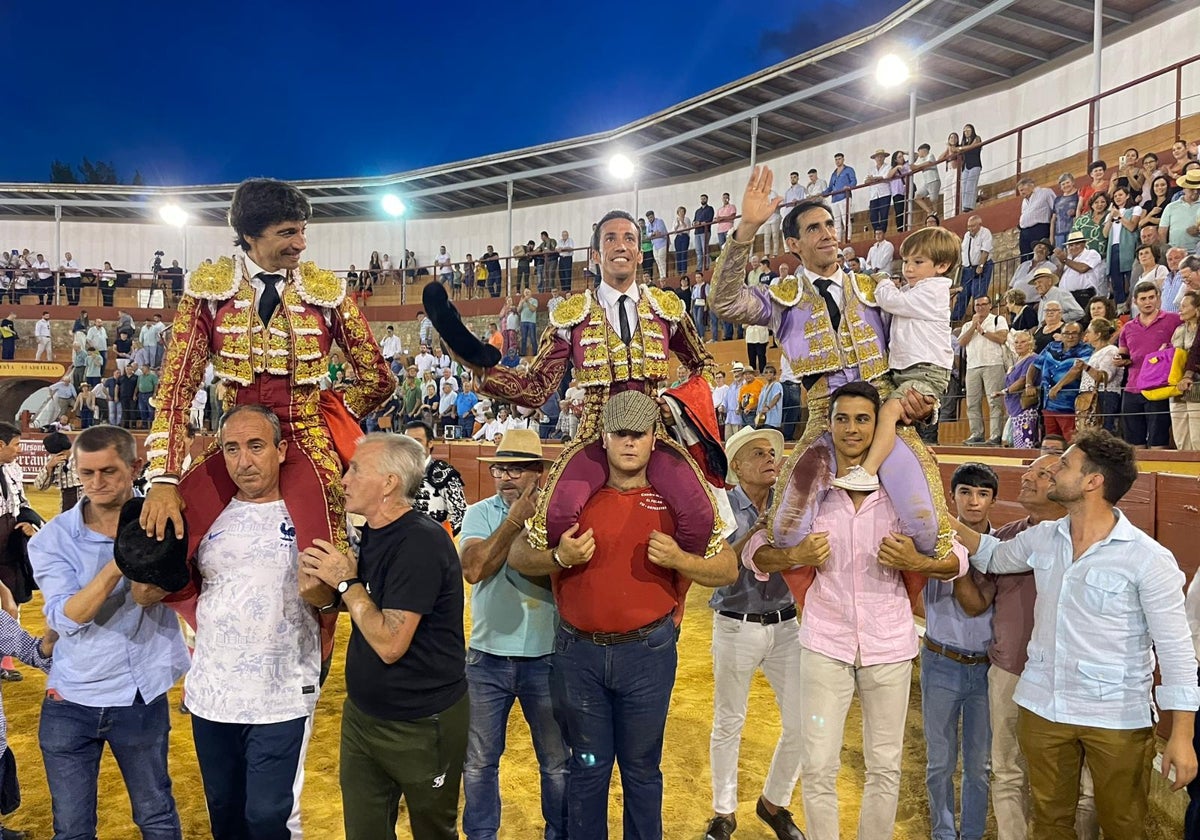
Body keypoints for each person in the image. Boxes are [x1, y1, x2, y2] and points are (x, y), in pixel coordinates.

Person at [138, 178, 393, 620]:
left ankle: (313, 660)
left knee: (323, 572)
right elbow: (177, 388)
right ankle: (214, 634)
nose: (301, 243)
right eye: (288, 233)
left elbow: (378, 379)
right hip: (235, 440)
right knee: (157, 562)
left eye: (302, 230)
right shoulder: (208, 293)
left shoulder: (327, 294)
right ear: (251, 235)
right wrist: (163, 478)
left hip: (305, 439)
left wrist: (331, 410)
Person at [507, 390, 736, 840]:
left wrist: (681, 560)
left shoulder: (675, 498)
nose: (630, 443)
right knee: (589, 769)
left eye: (639, 434)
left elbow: (727, 568)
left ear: (655, 439)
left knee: (641, 770)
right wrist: (559, 555)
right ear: (604, 438)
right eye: (620, 434)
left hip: (645, 653)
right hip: (580, 654)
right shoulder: (574, 496)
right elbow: (518, 555)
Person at [748, 382, 966, 840]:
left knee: (884, 766)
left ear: (877, 425)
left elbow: (956, 558)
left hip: (888, 644)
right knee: (820, 762)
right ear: (828, 425)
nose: (851, 429)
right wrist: (795, 555)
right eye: (842, 419)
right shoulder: (812, 490)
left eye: (862, 419)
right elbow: (756, 553)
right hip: (825, 642)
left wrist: (917, 562)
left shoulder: (904, 493)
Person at [956, 429, 1199, 837]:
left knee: (1123, 825)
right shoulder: (1046, 536)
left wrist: (1182, 736)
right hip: (1043, 707)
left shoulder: (1149, 559)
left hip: (1116, 719)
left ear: (1093, 481)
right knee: (1049, 822)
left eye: (1064, 464)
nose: (1053, 470)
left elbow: (1176, 653)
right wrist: (927, 504)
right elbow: (992, 555)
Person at [710, 168, 955, 571]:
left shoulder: (876, 288)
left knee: (928, 531)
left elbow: (923, 341)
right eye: (813, 229)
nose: (826, 233)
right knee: (787, 531)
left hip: (884, 412)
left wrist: (925, 400)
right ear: (794, 244)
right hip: (825, 415)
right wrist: (746, 229)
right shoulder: (781, 298)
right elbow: (724, 301)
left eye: (829, 224)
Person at [453, 209, 726, 563]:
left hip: (653, 433)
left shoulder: (666, 309)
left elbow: (702, 364)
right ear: (595, 256)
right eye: (610, 239)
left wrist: (674, 404)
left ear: (640, 253)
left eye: (629, 238)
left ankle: (666, 599)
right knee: (555, 519)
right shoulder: (572, 314)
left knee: (702, 518)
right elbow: (538, 387)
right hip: (595, 434)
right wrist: (487, 377)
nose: (621, 246)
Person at [134, 405, 323, 840]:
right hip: (212, 692)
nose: (243, 460)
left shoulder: (312, 511)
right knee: (224, 812)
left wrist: (325, 590)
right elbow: (148, 592)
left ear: (281, 450)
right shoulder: (201, 512)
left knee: (267, 815)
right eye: (231, 448)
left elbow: (333, 597)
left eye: (256, 446)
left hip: (283, 693)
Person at [299, 433, 468, 840]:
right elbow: (369, 603)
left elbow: (391, 643)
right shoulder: (378, 530)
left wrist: (345, 583)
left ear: (389, 482)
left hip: (421, 723)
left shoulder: (420, 542)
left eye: (356, 468)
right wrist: (326, 597)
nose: (344, 478)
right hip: (363, 716)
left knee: (433, 832)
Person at [30, 426, 190, 840]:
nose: (96, 483)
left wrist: (146, 562)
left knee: (156, 815)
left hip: (140, 695)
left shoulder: (164, 521)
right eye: (86, 473)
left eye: (109, 472)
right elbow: (67, 619)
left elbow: (151, 595)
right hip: (70, 699)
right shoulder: (52, 539)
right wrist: (123, 558)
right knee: (72, 829)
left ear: (135, 467)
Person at [951, 455, 1099, 840]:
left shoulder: (1091, 540)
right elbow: (976, 602)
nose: (1028, 477)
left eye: (1043, 473)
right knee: (1008, 771)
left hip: (1067, 678)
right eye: (1029, 470)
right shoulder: (1007, 537)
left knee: (1081, 786)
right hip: (1009, 670)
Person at [458, 430, 567, 840]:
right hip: (486, 659)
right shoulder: (479, 512)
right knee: (480, 761)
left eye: (517, 469)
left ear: (538, 473)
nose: (506, 477)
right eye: (501, 468)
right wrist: (514, 521)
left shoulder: (560, 514)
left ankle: (559, 833)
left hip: (548, 657)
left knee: (557, 762)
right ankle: (481, 835)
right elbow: (474, 569)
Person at [703, 426, 805, 840]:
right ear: (738, 466)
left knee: (802, 724)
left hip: (786, 623)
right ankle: (723, 811)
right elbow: (722, 562)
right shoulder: (721, 505)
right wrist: (759, 525)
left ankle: (773, 802)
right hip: (735, 621)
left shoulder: (790, 506)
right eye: (759, 453)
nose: (770, 459)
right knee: (729, 720)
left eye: (772, 453)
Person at [834, 226, 960, 489]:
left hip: (925, 370)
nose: (909, 268)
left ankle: (868, 471)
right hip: (908, 369)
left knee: (890, 412)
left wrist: (883, 282)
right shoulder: (917, 290)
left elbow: (891, 302)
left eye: (918, 262)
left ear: (942, 265)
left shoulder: (933, 290)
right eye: (906, 262)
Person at [922, 463, 998, 840]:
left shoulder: (1001, 550)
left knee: (978, 765)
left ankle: (970, 835)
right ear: (953, 497)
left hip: (986, 667)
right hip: (941, 660)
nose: (974, 501)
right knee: (940, 761)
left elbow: (976, 606)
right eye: (966, 492)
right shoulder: (931, 540)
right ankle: (944, 834)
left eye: (982, 494)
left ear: (993, 501)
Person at [1118, 281, 1181, 449]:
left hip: (1159, 388)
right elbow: (1124, 354)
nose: (1148, 302)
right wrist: (1121, 361)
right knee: (1134, 444)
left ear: (1158, 299)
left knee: (1158, 442)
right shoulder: (1128, 327)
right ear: (1135, 301)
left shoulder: (1174, 320)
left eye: (1152, 297)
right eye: (1143, 298)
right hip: (1132, 387)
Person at [958, 295, 1010, 446]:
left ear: (989, 305)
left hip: (993, 364)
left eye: (983, 304)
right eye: (977, 305)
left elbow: (1002, 338)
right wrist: (974, 326)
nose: (980, 307)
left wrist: (982, 331)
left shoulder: (997, 320)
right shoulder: (968, 325)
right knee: (972, 403)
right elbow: (961, 342)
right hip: (972, 366)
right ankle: (976, 433)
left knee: (994, 402)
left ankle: (995, 435)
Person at [402, 420, 467, 535]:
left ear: (430, 443)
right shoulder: (394, 472)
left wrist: (437, 539)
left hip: (433, 543)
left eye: (417, 441)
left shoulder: (446, 473)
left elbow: (459, 515)